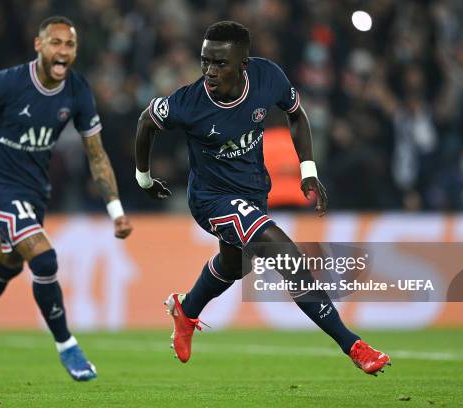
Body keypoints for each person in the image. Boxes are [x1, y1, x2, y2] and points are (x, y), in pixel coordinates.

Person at [134, 21, 390, 375]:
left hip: (253, 190)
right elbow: (147, 121)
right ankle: (354, 346)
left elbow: (296, 115)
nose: (209, 71)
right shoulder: (188, 102)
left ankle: (186, 309)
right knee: (288, 256)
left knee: (236, 266)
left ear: (244, 63)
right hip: (211, 199)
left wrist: (308, 170)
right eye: (205, 61)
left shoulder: (268, 77)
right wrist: (143, 178)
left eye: (220, 63)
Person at [0, 16, 133, 382]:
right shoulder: (4, 84)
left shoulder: (78, 91)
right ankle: (67, 345)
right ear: (39, 45)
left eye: (70, 45)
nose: (63, 51)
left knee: (9, 264)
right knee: (45, 259)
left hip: (33, 190)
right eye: (56, 42)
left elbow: (96, 154)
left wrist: (116, 211)